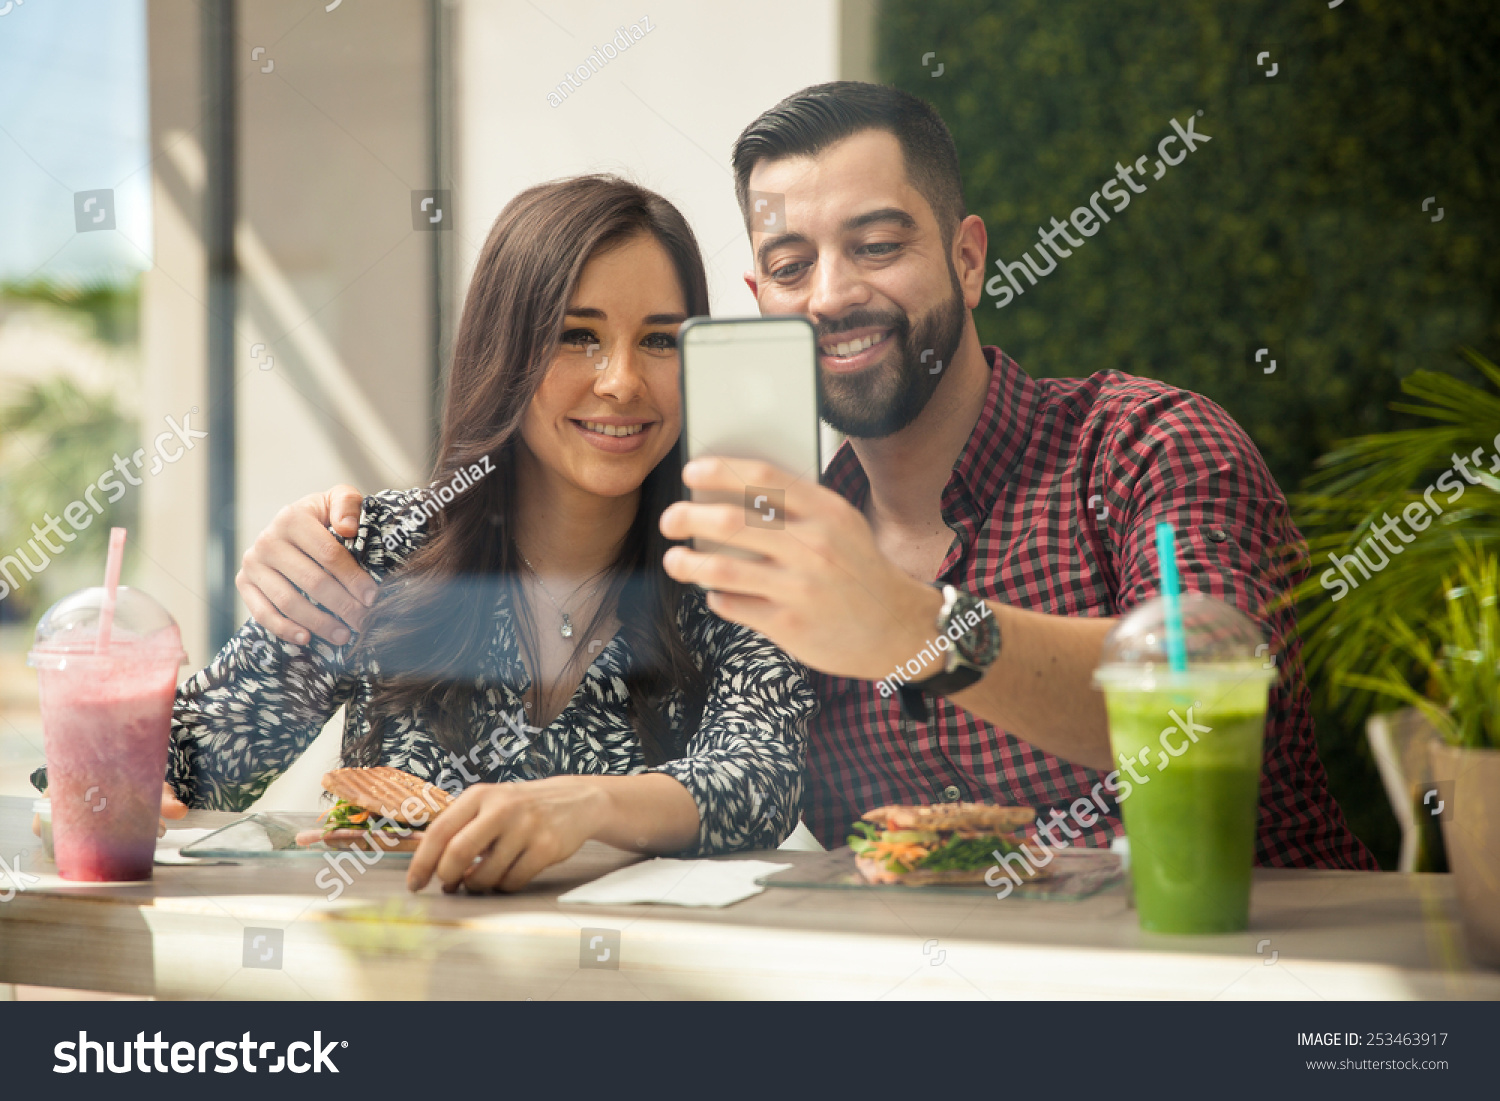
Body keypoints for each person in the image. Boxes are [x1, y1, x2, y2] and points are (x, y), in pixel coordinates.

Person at [239, 82, 1376, 870]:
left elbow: (1240, 718)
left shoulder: (1143, 448)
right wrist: (322, 541)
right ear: (757, 293)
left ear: (969, 257)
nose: (831, 293)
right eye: (791, 264)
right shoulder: (764, 546)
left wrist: (913, 627)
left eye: (877, 245)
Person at [166, 175, 816, 893]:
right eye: (579, 336)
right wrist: (120, 718)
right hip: (398, 981)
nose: (622, 381)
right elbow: (187, 763)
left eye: (660, 339)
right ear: (506, 348)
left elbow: (759, 777)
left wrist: (587, 802)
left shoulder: (736, 561)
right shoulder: (381, 549)